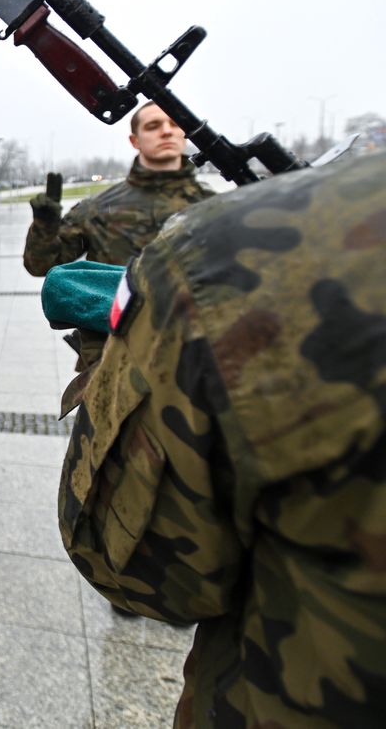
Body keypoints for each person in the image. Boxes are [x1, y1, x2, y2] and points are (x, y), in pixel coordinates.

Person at [56, 152, 385, 726]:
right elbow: (45, 260)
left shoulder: (216, 226)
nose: (163, 130)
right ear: (132, 135)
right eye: (150, 122)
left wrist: (134, 363)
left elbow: (137, 568)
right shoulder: (105, 209)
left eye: (169, 121)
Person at [23, 101, 214, 277]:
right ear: (135, 140)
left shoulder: (212, 205)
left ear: (184, 134)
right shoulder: (98, 209)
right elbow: (41, 266)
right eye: (153, 126)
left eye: (174, 124)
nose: (166, 132)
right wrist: (44, 227)